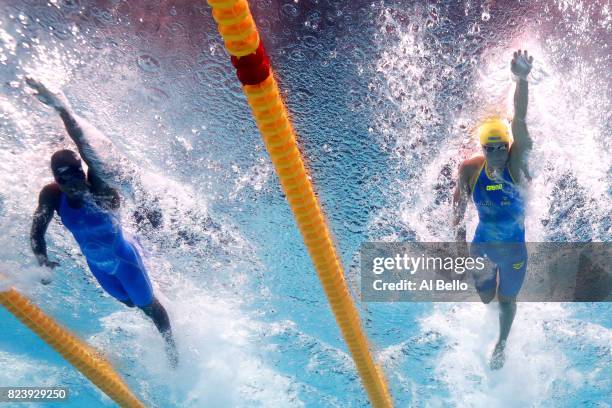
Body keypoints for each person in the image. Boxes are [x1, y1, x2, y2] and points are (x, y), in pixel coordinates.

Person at [27, 78, 178, 368]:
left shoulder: (99, 186)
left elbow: (86, 149)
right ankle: (154, 288)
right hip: (98, 267)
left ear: (83, 173)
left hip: (124, 258)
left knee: (149, 308)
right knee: (130, 303)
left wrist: (63, 110)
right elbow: (37, 232)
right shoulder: (51, 195)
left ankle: (172, 350)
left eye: (77, 177)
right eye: (65, 181)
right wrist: (41, 260)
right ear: (57, 181)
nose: (74, 186)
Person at [453, 50, 534, 370]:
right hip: (482, 246)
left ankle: (501, 344)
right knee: (487, 298)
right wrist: (458, 248)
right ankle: (492, 309)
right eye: (492, 148)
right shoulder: (470, 170)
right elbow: (458, 208)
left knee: (507, 300)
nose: (499, 153)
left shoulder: (516, 164)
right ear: (482, 149)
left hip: (514, 251)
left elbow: (520, 119)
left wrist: (522, 79)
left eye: (502, 146)